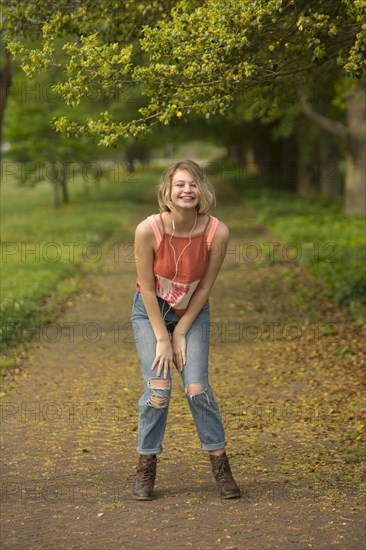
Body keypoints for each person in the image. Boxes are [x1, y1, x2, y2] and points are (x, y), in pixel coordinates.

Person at [131, 159, 241, 500]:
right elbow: (147, 290)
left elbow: (206, 287)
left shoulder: (217, 232)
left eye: (193, 184)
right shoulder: (148, 230)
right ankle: (145, 470)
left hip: (193, 311)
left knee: (196, 387)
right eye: (180, 184)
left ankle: (222, 469)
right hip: (151, 313)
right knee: (159, 389)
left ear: (202, 190)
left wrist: (181, 332)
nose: (187, 190)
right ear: (167, 190)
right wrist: (164, 336)